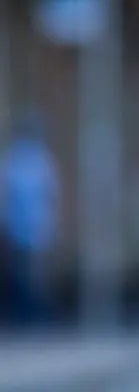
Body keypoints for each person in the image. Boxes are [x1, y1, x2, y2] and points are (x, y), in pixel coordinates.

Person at [3, 112, 59, 325]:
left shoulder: (24, 160)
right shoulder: (37, 160)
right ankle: (30, 317)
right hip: (29, 228)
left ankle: (32, 317)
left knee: (29, 277)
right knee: (27, 276)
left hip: (28, 228)